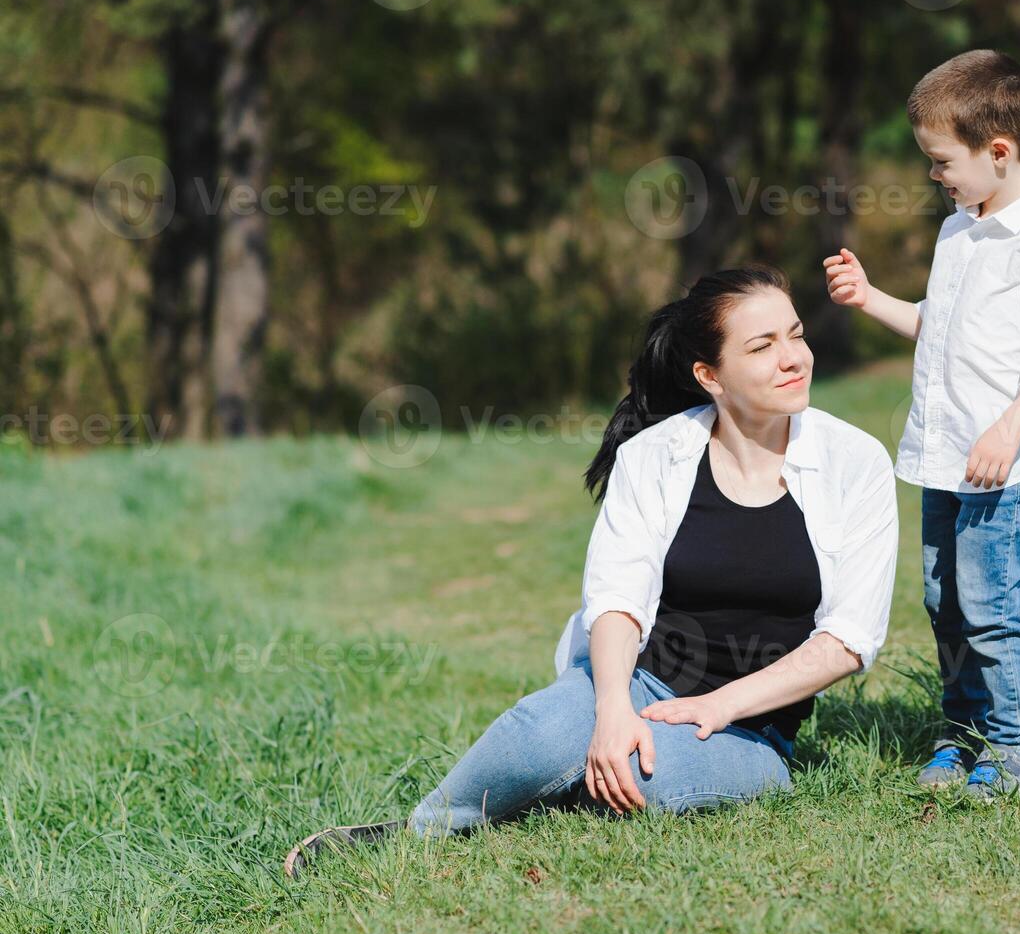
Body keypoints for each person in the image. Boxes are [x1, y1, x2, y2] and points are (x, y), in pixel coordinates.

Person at [285, 265, 898, 877]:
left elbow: (849, 638)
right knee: (535, 731)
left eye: (795, 335)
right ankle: (420, 832)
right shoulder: (655, 457)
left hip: (750, 729)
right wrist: (611, 710)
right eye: (762, 347)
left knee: (640, 774)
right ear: (709, 376)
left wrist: (721, 705)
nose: (793, 358)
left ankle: (544, 795)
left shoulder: (855, 462)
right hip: (637, 682)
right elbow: (616, 597)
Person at [824, 50, 1020, 800]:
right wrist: (869, 297)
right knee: (943, 601)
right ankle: (962, 731)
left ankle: (1012, 749)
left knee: (991, 608)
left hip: (998, 465)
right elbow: (935, 330)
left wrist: (1008, 429)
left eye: (941, 161)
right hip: (941, 457)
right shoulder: (959, 231)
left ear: (997, 152)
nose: (935, 175)